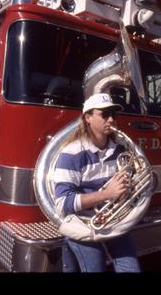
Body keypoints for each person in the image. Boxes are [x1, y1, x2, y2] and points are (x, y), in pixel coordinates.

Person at [53, 93, 141, 273]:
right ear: (88, 118)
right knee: (96, 266)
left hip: (113, 222)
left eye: (113, 115)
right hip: (82, 223)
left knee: (132, 269)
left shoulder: (120, 150)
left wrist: (128, 187)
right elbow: (63, 202)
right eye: (104, 114)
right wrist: (106, 194)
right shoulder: (72, 153)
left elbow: (129, 185)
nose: (111, 119)